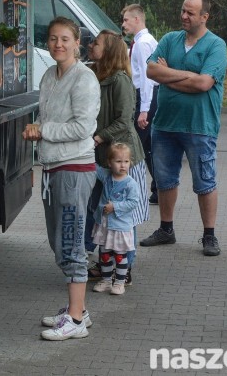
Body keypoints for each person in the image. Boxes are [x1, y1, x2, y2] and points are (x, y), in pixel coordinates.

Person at [23, 16, 100, 341]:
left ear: (77, 42)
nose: (58, 44)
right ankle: (77, 309)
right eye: (53, 38)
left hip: (74, 169)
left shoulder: (84, 79)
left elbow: (85, 128)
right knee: (58, 242)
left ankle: (76, 321)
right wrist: (36, 128)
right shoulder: (49, 75)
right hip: (52, 168)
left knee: (70, 242)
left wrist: (44, 131)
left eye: (65, 39)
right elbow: (47, 116)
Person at [140, 0, 227, 256]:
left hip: (200, 126)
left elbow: (204, 84)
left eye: (190, 12)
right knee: (165, 180)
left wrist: (170, 76)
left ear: (204, 17)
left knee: (205, 181)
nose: (184, 16)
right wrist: (188, 75)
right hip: (164, 124)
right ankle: (166, 229)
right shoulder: (169, 39)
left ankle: (209, 235)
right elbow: (152, 71)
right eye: (183, 10)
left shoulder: (216, 45)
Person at [85, 30, 148, 284]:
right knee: (102, 212)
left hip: (123, 157)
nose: (91, 46)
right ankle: (106, 264)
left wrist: (98, 137)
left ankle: (126, 267)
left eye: (96, 43)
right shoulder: (96, 75)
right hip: (104, 158)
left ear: (109, 49)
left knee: (124, 215)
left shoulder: (120, 79)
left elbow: (124, 120)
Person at [121, 4, 159, 204]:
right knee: (148, 146)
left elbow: (147, 78)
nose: (123, 24)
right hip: (146, 96)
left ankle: (152, 188)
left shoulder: (143, 43)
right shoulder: (142, 41)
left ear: (137, 19)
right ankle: (159, 188)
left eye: (126, 20)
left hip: (145, 97)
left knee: (137, 145)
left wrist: (144, 109)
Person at [91, 143, 140, 296]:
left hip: (120, 225)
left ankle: (119, 282)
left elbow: (133, 202)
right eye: (118, 161)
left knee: (120, 255)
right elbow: (94, 168)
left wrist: (116, 207)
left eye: (126, 161)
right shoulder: (106, 175)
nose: (122, 165)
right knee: (104, 253)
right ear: (109, 163)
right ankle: (106, 280)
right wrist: (86, 149)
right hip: (105, 224)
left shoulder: (130, 183)